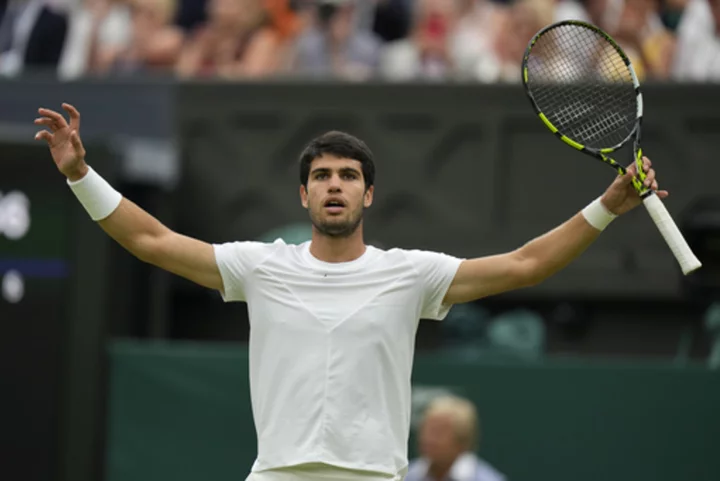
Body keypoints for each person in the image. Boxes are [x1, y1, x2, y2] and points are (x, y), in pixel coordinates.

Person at [33, 103, 666, 481]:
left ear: (369, 195)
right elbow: (153, 241)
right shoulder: (259, 266)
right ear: (303, 195)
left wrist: (609, 204)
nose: (334, 185)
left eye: (349, 175)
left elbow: (526, 264)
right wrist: (80, 174)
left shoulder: (411, 273)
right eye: (321, 176)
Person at [405, 395, 505, 481]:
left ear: (462, 439)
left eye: (438, 432)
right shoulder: (404, 476)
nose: (427, 438)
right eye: (426, 429)